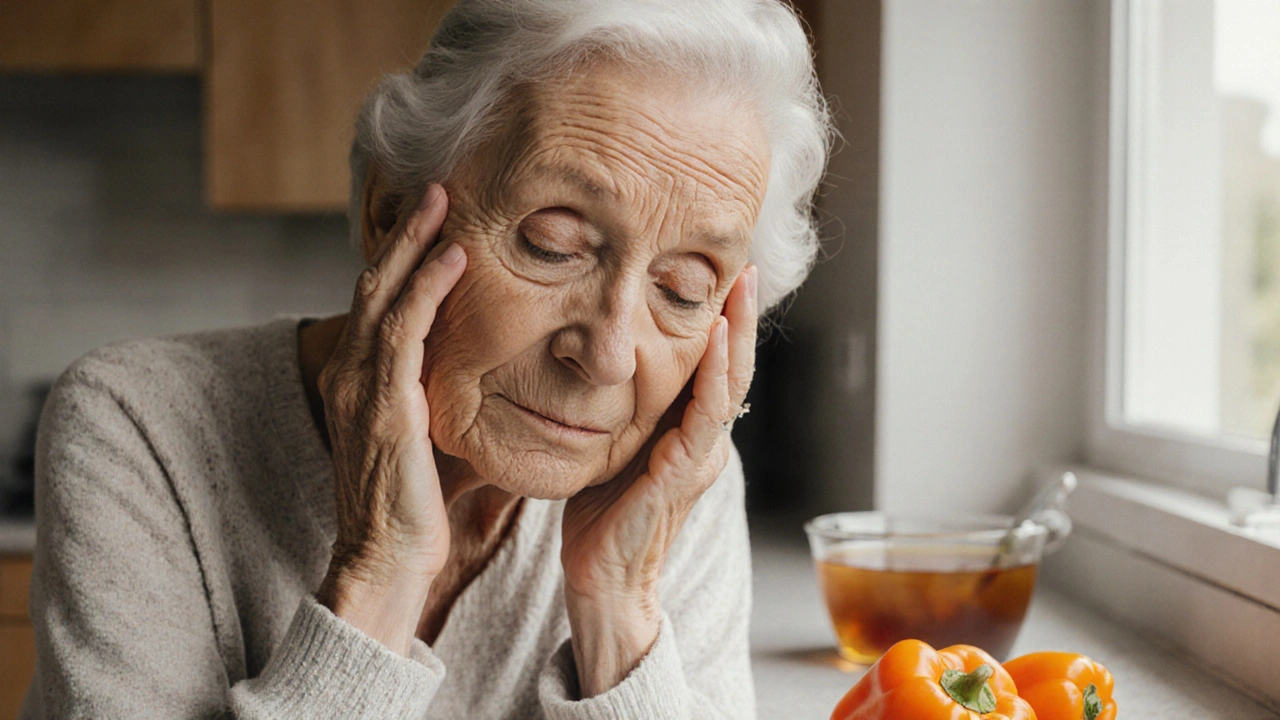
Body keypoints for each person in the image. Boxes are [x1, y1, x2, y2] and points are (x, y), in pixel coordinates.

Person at [22, 0, 831, 717]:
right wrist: (379, 571)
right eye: (553, 245)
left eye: (684, 291)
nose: (610, 355)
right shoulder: (138, 425)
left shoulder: (677, 481)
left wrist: (618, 605)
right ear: (391, 211)